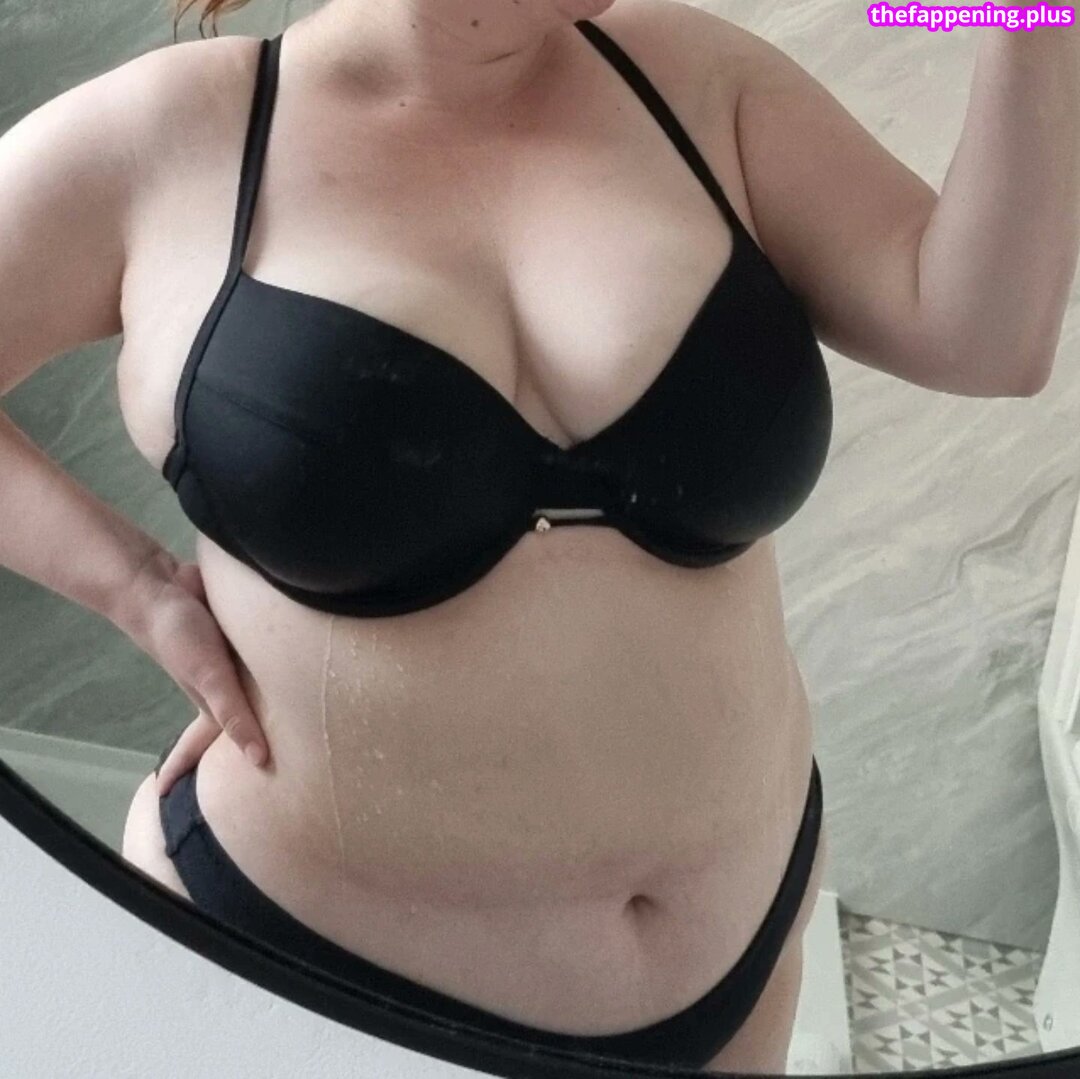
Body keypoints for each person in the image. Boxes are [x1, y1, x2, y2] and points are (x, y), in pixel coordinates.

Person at [2, 0, 1062, 1073]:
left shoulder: (698, 81)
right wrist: (136, 585)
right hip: (314, 980)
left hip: (738, 949)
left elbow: (986, 336)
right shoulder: (164, 141)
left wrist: (1034, 14)